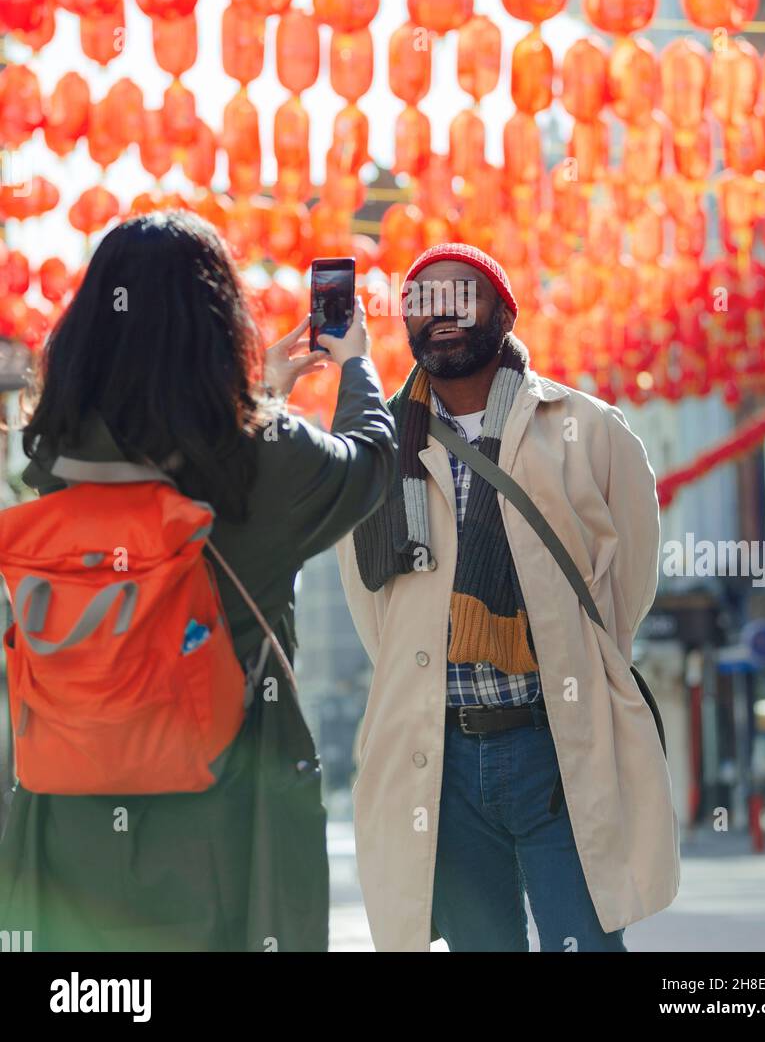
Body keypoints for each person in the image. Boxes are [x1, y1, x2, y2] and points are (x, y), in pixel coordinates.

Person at [0, 211, 396, 952]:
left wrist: (261, 397)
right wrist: (354, 363)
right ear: (219, 324)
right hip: (217, 837)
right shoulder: (266, 463)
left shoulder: (56, 460)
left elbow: (159, 441)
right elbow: (372, 463)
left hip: (64, 838)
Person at [336, 242, 680, 953]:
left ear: (502, 310)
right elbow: (378, 611)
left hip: (556, 741)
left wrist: (574, 662)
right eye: (421, 301)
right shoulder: (377, 452)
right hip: (442, 757)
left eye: (462, 295)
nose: (441, 313)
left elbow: (627, 583)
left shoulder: (587, 430)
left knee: (584, 941)